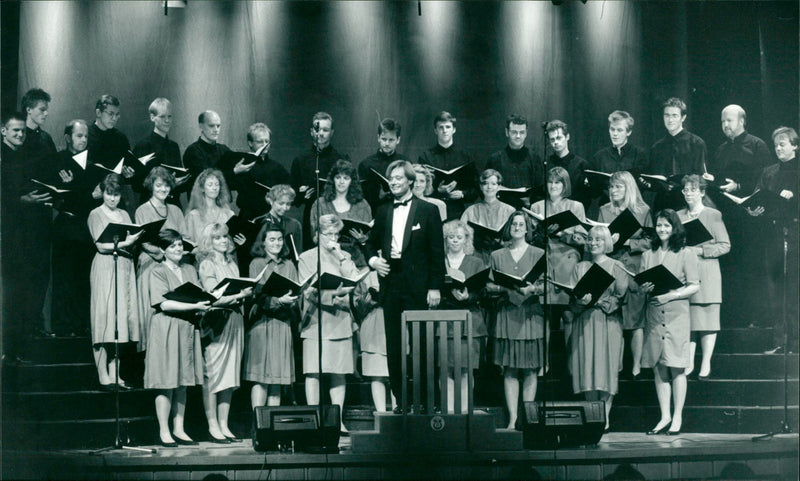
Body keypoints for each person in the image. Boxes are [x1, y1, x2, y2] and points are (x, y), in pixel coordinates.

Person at [364, 160, 445, 411]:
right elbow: (369, 243)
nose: (394, 182)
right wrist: (374, 260)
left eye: (399, 178)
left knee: (422, 344)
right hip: (391, 283)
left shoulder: (428, 210)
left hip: (419, 285)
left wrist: (435, 287)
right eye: (392, 178)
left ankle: (427, 400)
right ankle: (401, 399)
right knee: (395, 345)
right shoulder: (383, 209)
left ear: (410, 180)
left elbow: (436, 252)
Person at [707, 105, 772, 331]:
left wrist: (739, 186)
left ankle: (757, 318)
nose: (725, 125)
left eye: (730, 120)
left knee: (751, 266)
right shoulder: (720, 149)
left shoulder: (757, 145)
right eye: (723, 121)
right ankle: (732, 317)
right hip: (726, 215)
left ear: (742, 121)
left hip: (750, 216)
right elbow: (718, 181)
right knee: (729, 265)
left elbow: (765, 178)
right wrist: (711, 180)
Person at [144, 229, 207, 447]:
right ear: (163, 250)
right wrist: (195, 306)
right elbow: (164, 304)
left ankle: (179, 428)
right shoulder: (157, 271)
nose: (178, 249)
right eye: (173, 246)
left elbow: (199, 293)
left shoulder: (189, 268)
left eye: (180, 245)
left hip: (187, 327)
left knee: (183, 381)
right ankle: (164, 430)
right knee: (167, 381)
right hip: (167, 327)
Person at [639, 209, 699, 435]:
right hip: (654, 314)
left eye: (666, 225)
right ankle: (664, 416)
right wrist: (644, 287)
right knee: (659, 368)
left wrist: (671, 295)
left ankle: (677, 417)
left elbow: (695, 285)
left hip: (676, 314)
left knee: (677, 368)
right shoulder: (648, 254)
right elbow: (642, 283)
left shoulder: (686, 253)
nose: (662, 229)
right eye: (659, 225)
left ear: (674, 228)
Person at [298, 214, 360, 433]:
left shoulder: (345, 255)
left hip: (341, 319)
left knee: (338, 371)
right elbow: (308, 291)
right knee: (313, 372)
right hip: (316, 320)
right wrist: (334, 296)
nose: (333, 238)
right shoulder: (307, 257)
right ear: (318, 235)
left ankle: (337, 419)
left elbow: (354, 280)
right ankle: (313, 419)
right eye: (328, 234)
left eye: (336, 234)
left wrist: (341, 258)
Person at [564, 226, 628, 432]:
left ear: (607, 242)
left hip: (608, 323)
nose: (593, 243)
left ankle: (604, 416)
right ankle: (593, 415)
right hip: (585, 322)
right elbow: (571, 299)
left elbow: (621, 298)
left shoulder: (617, 265)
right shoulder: (580, 267)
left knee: (606, 369)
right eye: (590, 239)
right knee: (587, 369)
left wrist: (601, 301)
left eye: (599, 239)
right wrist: (581, 301)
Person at [485, 211, 546, 429]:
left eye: (522, 224)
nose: (518, 227)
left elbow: (549, 285)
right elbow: (488, 286)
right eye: (514, 224)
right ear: (508, 227)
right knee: (510, 369)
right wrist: (504, 287)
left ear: (528, 229)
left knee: (530, 369)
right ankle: (513, 419)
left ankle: (527, 418)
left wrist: (534, 289)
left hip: (531, 315)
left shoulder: (539, 253)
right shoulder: (498, 255)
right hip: (507, 315)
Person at [196, 223, 252, 443]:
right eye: (217, 237)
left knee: (229, 375)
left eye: (225, 237)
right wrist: (239, 295)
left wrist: (241, 295)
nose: (223, 241)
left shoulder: (232, 263)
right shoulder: (206, 264)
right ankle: (212, 425)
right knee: (213, 374)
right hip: (217, 321)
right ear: (209, 241)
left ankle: (224, 424)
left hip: (235, 319)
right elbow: (212, 296)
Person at [87, 173, 142, 387]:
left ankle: (115, 372)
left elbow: (130, 241)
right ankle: (103, 373)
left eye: (116, 195)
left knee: (120, 320)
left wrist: (132, 242)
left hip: (124, 267)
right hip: (105, 266)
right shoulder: (95, 214)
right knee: (104, 318)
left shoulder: (125, 215)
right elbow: (101, 245)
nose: (112, 199)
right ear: (103, 193)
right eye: (109, 194)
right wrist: (127, 242)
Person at [597, 171, 653, 378]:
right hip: (612, 267)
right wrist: (609, 240)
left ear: (628, 188)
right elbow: (599, 239)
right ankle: (616, 364)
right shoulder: (604, 210)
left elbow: (651, 241)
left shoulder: (643, 210)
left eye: (618, 187)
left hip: (634, 268)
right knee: (614, 318)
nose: (613, 191)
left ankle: (637, 364)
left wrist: (631, 242)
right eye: (611, 187)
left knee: (635, 320)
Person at [2, 111, 48, 360]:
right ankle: (9, 352)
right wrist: (23, 199)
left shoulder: (25, 155)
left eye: (22, 131)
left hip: (26, 235)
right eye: (15, 131)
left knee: (21, 292)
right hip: (8, 235)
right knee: (10, 294)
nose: (20, 134)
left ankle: (16, 350)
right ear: (3, 131)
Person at [750, 127, 799, 354]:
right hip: (773, 236)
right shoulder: (769, 172)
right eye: (776, 145)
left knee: (794, 290)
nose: (778, 148)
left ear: (795, 146)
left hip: (796, 234)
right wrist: (754, 210)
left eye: (783, 144)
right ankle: (780, 342)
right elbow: (757, 196)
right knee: (776, 290)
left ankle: (796, 344)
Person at [677, 175, 730, 378]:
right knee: (688, 320)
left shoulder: (713, 214)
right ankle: (689, 361)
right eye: (685, 190)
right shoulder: (678, 215)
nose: (688, 193)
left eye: (693, 189)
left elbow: (725, 245)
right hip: (684, 272)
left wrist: (701, 251)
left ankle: (706, 362)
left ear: (702, 192)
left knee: (707, 319)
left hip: (706, 271)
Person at [50, 119, 98, 337]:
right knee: (64, 278)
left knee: (82, 279)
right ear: (68, 137)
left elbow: (87, 197)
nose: (84, 140)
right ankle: (63, 327)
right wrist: (85, 195)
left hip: (85, 227)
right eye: (80, 136)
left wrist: (82, 194)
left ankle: (81, 325)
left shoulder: (91, 163)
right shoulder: (58, 159)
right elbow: (62, 199)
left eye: (86, 136)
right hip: (66, 227)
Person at [245, 223, 299, 408]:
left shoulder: (289, 264)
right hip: (262, 323)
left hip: (283, 323)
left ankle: (271, 428)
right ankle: (258, 425)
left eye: (279, 239)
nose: (276, 243)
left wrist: (291, 299)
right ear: (263, 242)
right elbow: (256, 295)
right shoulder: (256, 263)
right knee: (261, 378)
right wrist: (277, 300)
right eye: (272, 239)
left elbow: (295, 291)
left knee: (277, 378)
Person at [528, 167, 587, 331]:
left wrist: (561, 233)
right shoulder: (537, 207)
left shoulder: (576, 206)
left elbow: (582, 239)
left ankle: (568, 356)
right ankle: (546, 356)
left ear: (565, 185)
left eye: (557, 183)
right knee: (544, 316)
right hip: (544, 260)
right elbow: (531, 239)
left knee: (568, 315)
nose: (553, 186)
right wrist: (541, 233)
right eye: (550, 182)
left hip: (567, 261)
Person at [20, 89, 58, 336]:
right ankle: (22, 325)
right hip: (23, 215)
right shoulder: (18, 137)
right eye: (41, 109)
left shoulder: (46, 139)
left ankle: (35, 323)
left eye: (46, 109)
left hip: (44, 212)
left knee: (42, 270)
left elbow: (55, 168)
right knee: (25, 270)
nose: (45, 113)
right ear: (29, 110)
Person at [135, 167, 185, 353]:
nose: (163, 189)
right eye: (158, 186)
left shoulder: (176, 211)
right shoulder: (142, 210)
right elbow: (143, 243)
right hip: (150, 264)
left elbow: (184, 238)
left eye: (166, 186)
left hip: (174, 266)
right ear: (151, 186)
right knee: (151, 311)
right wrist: (165, 255)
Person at [439, 220, 488, 414]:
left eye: (460, 237)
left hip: (470, 320)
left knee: (466, 369)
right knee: (446, 368)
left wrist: (469, 295)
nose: (455, 241)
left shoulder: (475, 262)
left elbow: (483, 291)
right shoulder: (439, 261)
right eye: (451, 237)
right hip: (444, 319)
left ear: (467, 239)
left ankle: (465, 411)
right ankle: (449, 411)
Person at [291, 112, 349, 250]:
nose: (321, 133)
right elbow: (294, 199)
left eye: (325, 130)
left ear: (332, 132)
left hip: (336, 213)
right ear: (312, 132)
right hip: (311, 214)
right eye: (318, 129)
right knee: (312, 254)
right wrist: (302, 195)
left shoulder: (341, 159)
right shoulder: (300, 160)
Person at [645, 97, 707, 213]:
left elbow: (699, 176)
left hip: (686, 202)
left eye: (674, 115)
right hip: (662, 202)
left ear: (683, 117)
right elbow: (652, 177)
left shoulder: (696, 143)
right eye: (666, 115)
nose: (670, 120)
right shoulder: (657, 147)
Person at [221, 122, 290, 222]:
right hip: (247, 217)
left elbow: (289, 186)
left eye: (267, 141)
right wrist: (235, 171)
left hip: (271, 216)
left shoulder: (276, 166)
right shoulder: (240, 162)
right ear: (250, 143)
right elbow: (224, 182)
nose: (264, 145)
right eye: (260, 142)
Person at [309, 159, 372, 266]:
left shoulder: (362, 205)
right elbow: (314, 238)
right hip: (328, 260)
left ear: (352, 181)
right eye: (338, 177)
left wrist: (362, 239)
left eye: (346, 178)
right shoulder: (320, 204)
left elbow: (370, 238)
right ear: (332, 180)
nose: (341, 182)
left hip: (357, 261)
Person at [418, 111, 477, 219]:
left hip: (457, 211)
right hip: (431, 210)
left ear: (454, 129)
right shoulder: (425, 157)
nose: (444, 131)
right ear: (435, 130)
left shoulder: (466, 157)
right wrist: (438, 191)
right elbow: (419, 189)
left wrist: (462, 193)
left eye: (448, 127)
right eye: (441, 127)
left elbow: (475, 189)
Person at [352, 270, 396, 413]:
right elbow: (357, 304)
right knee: (377, 375)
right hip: (374, 325)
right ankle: (381, 415)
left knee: (397, 375)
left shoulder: (401, 270)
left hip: (395, 323)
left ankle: (398, 412)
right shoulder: (366, 276)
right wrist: (370, 299)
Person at [87, 94, 136, 217]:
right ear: (98, 112)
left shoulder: (120, 138)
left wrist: (128, 173)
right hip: (93, 198)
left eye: (117, 114)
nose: (115, 118)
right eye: (111, 114)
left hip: (116, 199)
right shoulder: (85, 135)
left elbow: (128, 167)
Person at [132, 98, 185, 206]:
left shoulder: (174, 146)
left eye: (169, 116)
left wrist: (178, 182)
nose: (167, 120)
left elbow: (180, 179)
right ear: (152, 117)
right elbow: (136, 185)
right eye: (162, 116)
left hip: (173, 205)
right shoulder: (142, 146)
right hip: (150, 206)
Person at [588, 111, 647, 205]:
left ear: (629, 132)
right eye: (612, 129)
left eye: (619, 130)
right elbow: (594, 192)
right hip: (607, 206)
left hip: (632, 206)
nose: (615, 134)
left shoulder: (639, 154)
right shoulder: (599, 157)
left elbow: (643, 186)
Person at [485, 114, 544, 208]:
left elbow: (541, 189)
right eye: (514, 132)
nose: (518, 136)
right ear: (507, 132)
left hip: (527, 212)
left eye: (522, 132)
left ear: (526, 133)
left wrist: (531, 201)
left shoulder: (534, 159)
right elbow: (485, 188)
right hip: (500, 211)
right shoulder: (495, 159)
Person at [461, 168, 515, 262]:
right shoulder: (470, 211)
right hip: (477, 256)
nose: (489, 187)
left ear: (499, 187)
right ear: (481, 187)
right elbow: (462, 237)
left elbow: (516, 239)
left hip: (503, 257)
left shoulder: (510, 210)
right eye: (485, 183)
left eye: (493, 184)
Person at [358, 118, 407, 212]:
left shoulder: (405, 162)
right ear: (378, 138)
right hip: (375, 212)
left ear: (398, 140)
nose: (387, 143)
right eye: (384, 139)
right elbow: (362, 197)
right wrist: (378, 197)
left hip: (401, 211)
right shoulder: (366, 164)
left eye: (391, 140)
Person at [183, 168, 241, 246]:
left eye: (217, 184)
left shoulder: (229, 214)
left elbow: (232, 243)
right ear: (202, 188)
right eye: (210, 185)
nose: (214, 188)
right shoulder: (193, 215)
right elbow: (189, 244)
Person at [250, 184, 303, 262]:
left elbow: (298, 253)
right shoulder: (258, 222)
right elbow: (254, 251)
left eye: (288, 204)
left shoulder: (295, 224)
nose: (285, 208)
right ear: (271, 201)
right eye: (281, 203)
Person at [545, 120, 590, 210]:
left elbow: (586, 196)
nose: (555, 142)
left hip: (574, 212)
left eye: (559, 138)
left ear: (567, 137)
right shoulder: (546, 163)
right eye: (552, 139)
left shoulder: (581, 164)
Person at [183, 111, 231, 180]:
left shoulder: (224, 149)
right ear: (201, 126)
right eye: (211, 126)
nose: (216, 130)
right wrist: (233, 171)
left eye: (218, 126)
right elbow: (205, 179)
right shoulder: (192, 151)